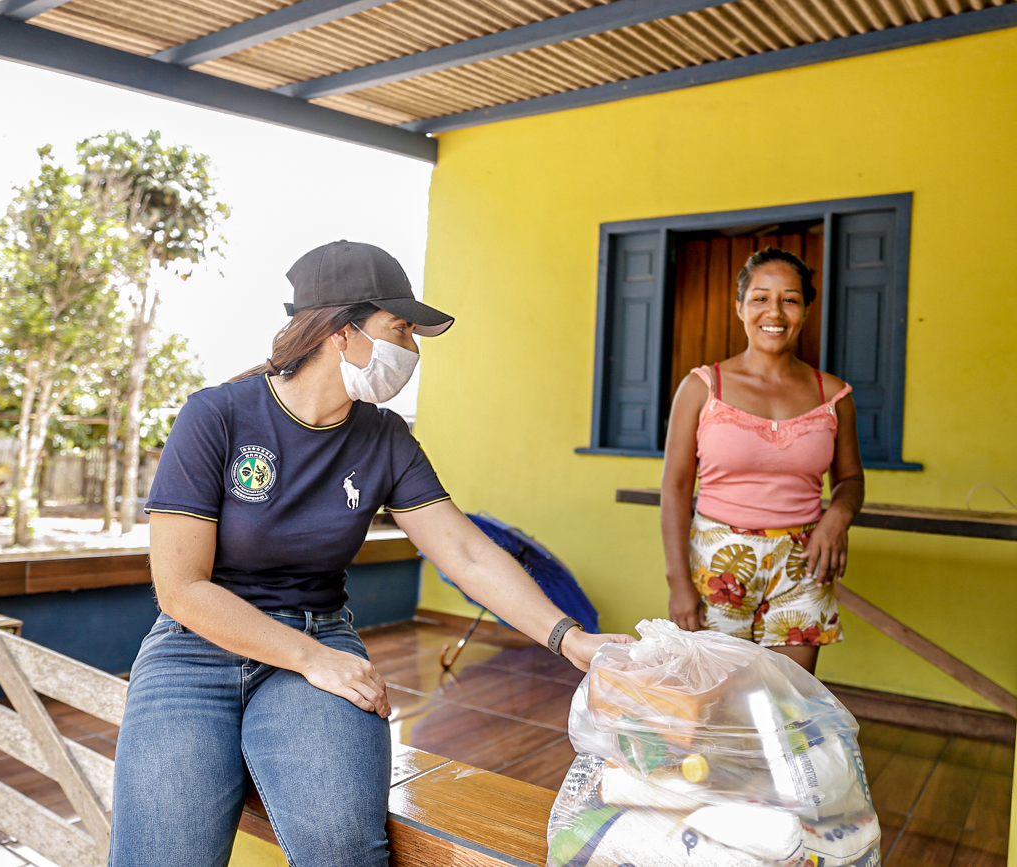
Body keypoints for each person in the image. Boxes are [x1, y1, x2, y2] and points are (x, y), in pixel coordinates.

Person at [109, 241, 633, 866]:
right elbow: (182, 589)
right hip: (197, 647)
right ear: (341, 330)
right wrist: (310, 659)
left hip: (317, 636)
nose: (412, 350)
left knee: (343, 850)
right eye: (401, 329)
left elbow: (464, 550)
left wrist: (569, 640)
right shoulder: (216, 416)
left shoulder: (386, 439)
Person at [660, 247, 864, 675]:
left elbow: (849, 479)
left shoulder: (833, 395)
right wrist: (678, 581)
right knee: (715, 706)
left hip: (803, 565)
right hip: (717, 565)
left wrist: (837, 517)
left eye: (790, 299)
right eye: (760, 298)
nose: (775, 311)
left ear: (806, 310)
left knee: (788, 706)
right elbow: (677, 487)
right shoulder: (702, 388)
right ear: (740, 308)